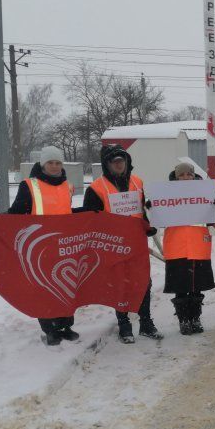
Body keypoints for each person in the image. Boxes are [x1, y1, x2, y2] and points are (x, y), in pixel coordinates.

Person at [84, 144, 163, 344]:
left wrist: (148, 227)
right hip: (113, 246)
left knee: (143, 282)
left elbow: (141, 212)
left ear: (127, 162)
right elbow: (90, 219)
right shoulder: (96, 188)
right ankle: (124, 324)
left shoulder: (137, 182)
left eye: (122, 161)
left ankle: (146, 322)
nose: (119, 165)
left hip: (136, 243)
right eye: (115, 162)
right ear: (107, 164)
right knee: (120, 284)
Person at [6, 146, 81, 345]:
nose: (55, 166)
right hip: (39, 247)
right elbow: (16, 213)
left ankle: (65, 325)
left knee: (65, 286)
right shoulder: (29, 186)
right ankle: (50, 329)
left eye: (58, 163)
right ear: (43, 164)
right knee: (45, 289)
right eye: (51, 163)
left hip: (64, 245)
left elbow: (67, 212)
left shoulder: (68, 186)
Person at [150, 163, 215, 335]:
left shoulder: (204, 193)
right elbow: (160, 220)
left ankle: (195, 318)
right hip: (176, 246)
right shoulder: (166, 195)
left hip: (198, 245)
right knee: (180, 286)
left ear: (193, 176)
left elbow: (210, 219)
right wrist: (154, 208)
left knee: (196, 286)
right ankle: (183, 320)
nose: (185, 178)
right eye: (182, 175)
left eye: (189, 174)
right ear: (176, 177)